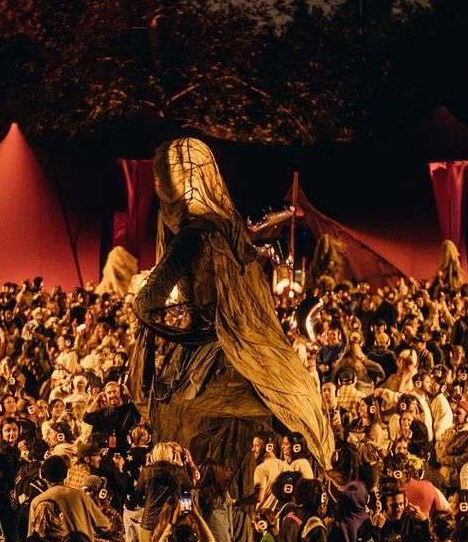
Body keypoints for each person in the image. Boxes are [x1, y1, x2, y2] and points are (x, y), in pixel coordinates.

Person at [129, 138, 332, 473]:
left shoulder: (193, 235)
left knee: (172, 410)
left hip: (208, 349)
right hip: (246, 339)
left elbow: (148, 300)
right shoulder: (228, 228)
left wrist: (177, 317)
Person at [28, 455, 114, 538]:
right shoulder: (82, 496)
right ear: (66, 474)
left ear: (42, 475)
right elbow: (104, 526)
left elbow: (31, 535)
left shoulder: (36, 501)